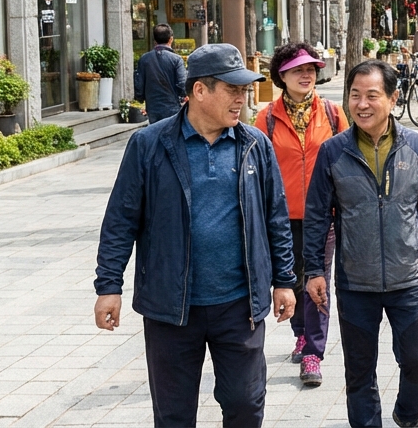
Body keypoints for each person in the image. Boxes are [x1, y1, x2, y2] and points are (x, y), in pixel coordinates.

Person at [94, 43, 295, 428]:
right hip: (172, 307)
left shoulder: (255, 145)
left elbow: (276, 218)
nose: (242, 98)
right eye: (232, 89)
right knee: (173, 415)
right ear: (199, 91)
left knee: (246, 406)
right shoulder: (149, 145)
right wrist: (109, 286)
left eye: (245, 90)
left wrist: (285, 280)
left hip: (239, 305)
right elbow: (120, 220)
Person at [303, 60, 418, 428]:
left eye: (372, 95)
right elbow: (317, 216)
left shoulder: (417, 146)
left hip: (409, 279)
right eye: (355, 96)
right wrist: (313, 271)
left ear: (393, 98)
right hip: (355, 282)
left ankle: (408, 415)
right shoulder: (333, 152)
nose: (362, 104)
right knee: (359, 371)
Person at [254, 43, 350, 388]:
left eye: (310, 69)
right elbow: (258, 169)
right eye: (298, 70)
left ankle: (313, 352)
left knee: (318, 279)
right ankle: (300, 333)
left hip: (324, 215)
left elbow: (347, 158)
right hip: (281, 216)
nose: (307, 75)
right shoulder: (265, 117)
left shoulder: (332, 113)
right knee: (290, 279)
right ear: (282, 76)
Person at [134, 23, 188, 124]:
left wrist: (140, 98)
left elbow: (139, 85)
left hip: (152, 107)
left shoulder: (144, 59)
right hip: (172, 107)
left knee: (156, 134)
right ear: (171, 39)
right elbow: (182, 84)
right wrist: (183, 96)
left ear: (155, 41)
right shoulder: (176, 60)